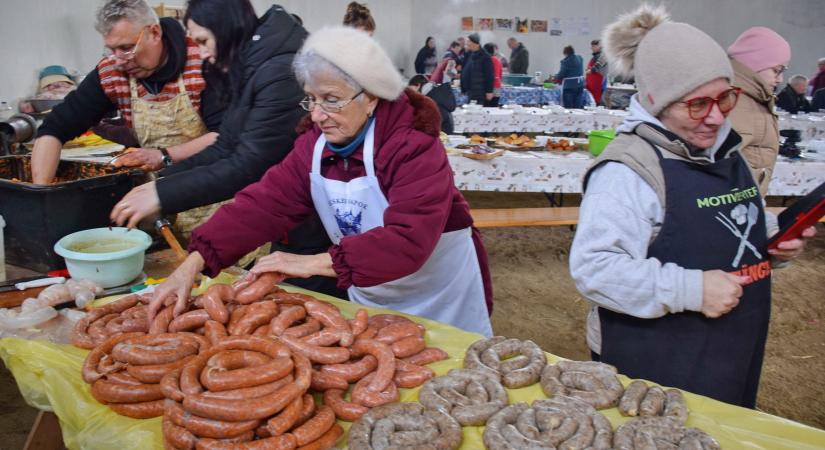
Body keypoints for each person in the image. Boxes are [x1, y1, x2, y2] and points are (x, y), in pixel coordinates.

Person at [148, 27, 493, 337]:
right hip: (374, 289)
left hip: (438, 292)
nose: (316, 114)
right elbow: (265, 203)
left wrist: (311, 263)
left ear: (371, 96)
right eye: (311, 99)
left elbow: (408, 240)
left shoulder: (413, 144)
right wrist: (194, 262)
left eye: (331, 100)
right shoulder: (314, 145)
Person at [570, 4, 816, 408]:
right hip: (658, 356)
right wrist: (690, 289)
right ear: (655, 100)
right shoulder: (628, 171)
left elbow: (721, 218)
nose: (716, 117)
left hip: (732, 343)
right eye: (697, 104)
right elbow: (595, 268)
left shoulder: (723, 147)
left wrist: (770, 239)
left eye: (725, 98)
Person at [110, 1, 308, 235]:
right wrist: (161, 181)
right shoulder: (248, 66)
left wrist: (162, 195)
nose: (202, 53)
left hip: (303, 217)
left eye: (204, 41)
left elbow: (252, 164)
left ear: (227, 28)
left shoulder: (278, 71)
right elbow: (224, 146)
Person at [30, 0, 223, 185]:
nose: (119, 60)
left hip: (214, 188)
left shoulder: (202, 61)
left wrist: (163, 155)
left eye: (126, 48)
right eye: (112, 50)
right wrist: (41, 194)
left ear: (154, 33)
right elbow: (55, 127)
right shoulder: (112, 73)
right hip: (157, 192)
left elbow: (225, 135)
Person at [727, 27, 791, 196]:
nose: (780, 79)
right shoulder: (732, 101)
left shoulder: (757, 98)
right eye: (776, 70)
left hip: (745, 204)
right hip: (731, 208)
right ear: (754, 64)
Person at [460, 33, 494, 107]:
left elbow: (489, 75)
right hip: (470, 91)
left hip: (479, 92)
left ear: (475, 43)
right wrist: (463, 88)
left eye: (468, 41)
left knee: (477, 114)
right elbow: (464, 70)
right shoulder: (470, 54)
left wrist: (489, 91)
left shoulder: (485, 57)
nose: (467, 44)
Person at [586, 40, 608, 104]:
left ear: (600, 46)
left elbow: (597, 66)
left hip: (598, 84)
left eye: (593, 46)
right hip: (591, 85)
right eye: (591, 46)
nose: (592, 48)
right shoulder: (595, 57)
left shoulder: (603, 56)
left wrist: (590, 70)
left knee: (597, 102)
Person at [483, 43, 502, 107]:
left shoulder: (489, 59)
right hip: (497, 85)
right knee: (494, 106)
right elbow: (500, 74)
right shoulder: (497, 59)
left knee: (488, 106)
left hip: (490, 86)